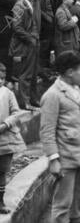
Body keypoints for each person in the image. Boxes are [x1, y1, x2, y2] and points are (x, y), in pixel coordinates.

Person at [40, 51, 80, 223]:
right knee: (63, 203)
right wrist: (53, 159)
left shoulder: (76, 89)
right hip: (65, 157)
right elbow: (47, 130)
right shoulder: (52, 95)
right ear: (70, 72)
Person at [9, 0, 42, 109]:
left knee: (33, 74)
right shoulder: (19, 5)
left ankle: (33, 99)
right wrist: (30, 39)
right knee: (25, 74)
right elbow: (16, 27)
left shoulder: (30, 4)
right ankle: (25, 102)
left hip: (33, 43)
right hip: (24, 45)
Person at [0, 62, 25, 214]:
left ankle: (0, 201)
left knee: (2, 172)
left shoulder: (8, 94)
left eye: (2, 78)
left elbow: (16, 113)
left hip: (5, 139)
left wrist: (5, 125)